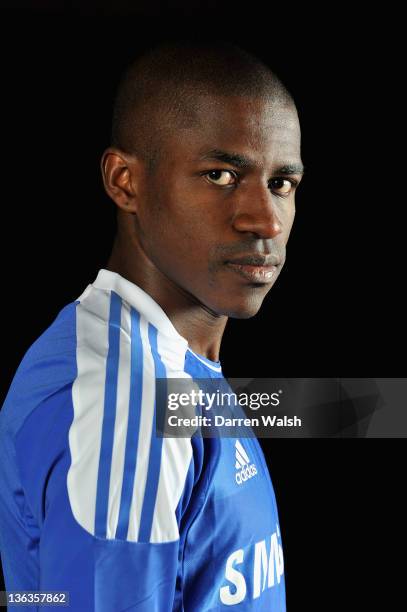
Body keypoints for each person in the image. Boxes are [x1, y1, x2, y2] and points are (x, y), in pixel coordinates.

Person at [0, 40, 303, 610]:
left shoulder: (168, 362)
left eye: (282, 183)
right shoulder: (131, 404)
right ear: (125, 182)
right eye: (220, 175)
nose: (265, 218)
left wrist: (371, 409)